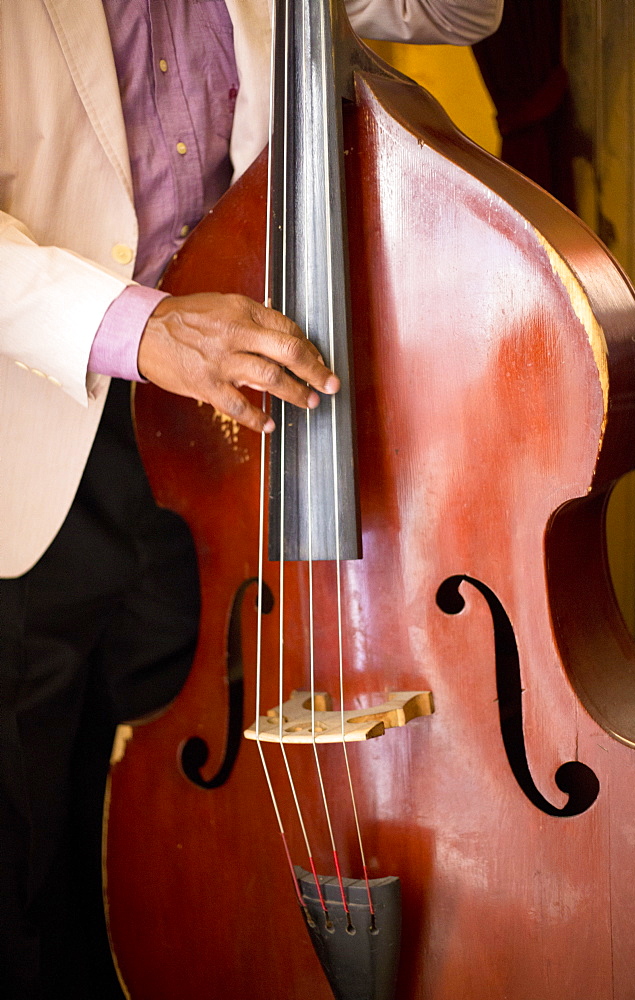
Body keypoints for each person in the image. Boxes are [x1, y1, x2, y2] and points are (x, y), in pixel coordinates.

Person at [0, 1, 503, 996]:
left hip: (233, 455)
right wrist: (139, 330)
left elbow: (458, 12)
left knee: (177, 818)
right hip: (33, 432)